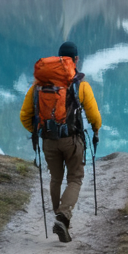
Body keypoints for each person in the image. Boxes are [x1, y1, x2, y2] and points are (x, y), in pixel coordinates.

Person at [20, 41, 101, 242]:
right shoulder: (80, 85)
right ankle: (63, 217)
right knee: (75, 178)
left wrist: (40, 131)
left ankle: (59, 216)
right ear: (75, 60)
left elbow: (25, 116)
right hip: (72, 141)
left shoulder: (37, 87)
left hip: (48, 141)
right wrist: (96, 129)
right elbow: (94, 116)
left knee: (56, 179)